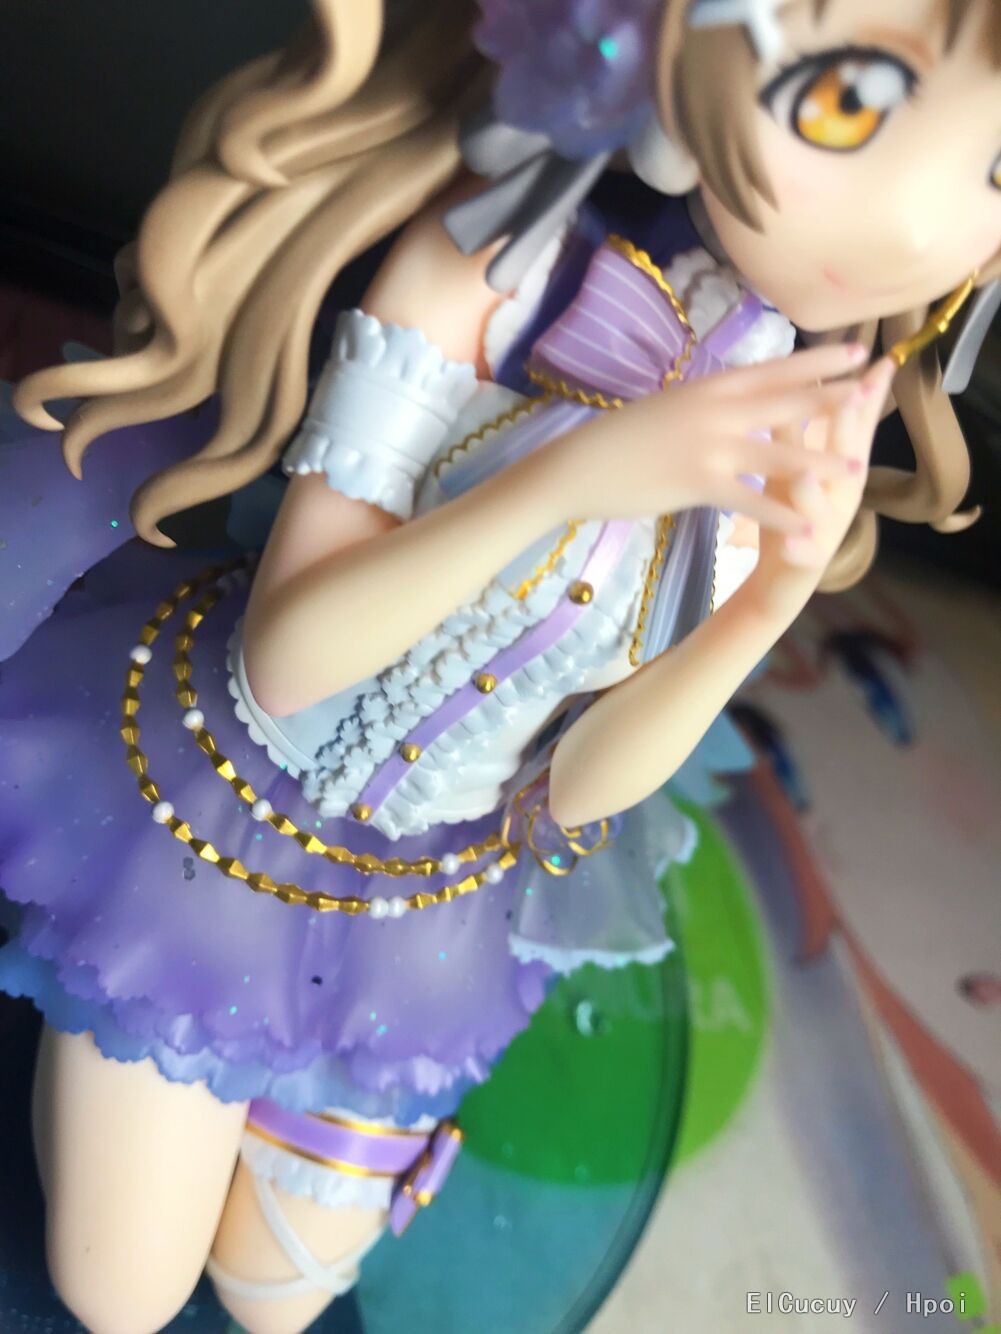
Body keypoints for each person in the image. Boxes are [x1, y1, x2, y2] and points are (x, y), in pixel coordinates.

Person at [1, 1, 998, 1330]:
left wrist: (762, 606)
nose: (916, 231)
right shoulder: (489, 266)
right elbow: (287, 663)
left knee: (274, 1296)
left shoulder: (799, 381)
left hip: (432, 902)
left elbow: (572, 796)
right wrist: (582, 471)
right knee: (121, 1295)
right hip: (220, 820)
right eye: (842, 104)